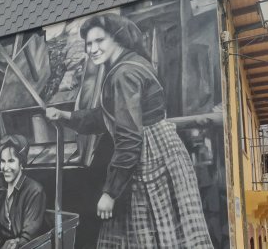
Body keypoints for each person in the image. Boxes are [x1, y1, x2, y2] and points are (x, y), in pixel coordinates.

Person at [46, 13, 214, 248]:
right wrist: (67, 116)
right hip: (159, 152)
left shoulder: (124, 74)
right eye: (89, 43)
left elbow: (129, 136)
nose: (93, 49)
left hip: (151, 158)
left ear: (117, 38)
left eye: (99, 41)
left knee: (150, 238)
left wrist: (110, 193)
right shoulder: (131, 63)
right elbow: (107, 115)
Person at [0, 134, 46, 249]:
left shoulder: (35, 191)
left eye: (11, 161)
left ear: (21, 163)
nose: (5, 167)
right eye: (2, 161)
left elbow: (28, 237)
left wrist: (16, 243)